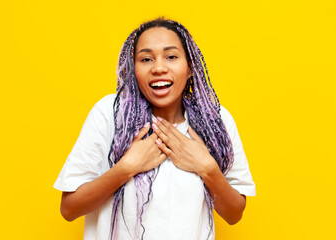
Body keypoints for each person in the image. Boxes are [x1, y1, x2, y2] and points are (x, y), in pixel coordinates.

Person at [54, 18, 256, 240]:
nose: (159, 68)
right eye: (146, 59)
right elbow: (69, 209)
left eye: (171, 57)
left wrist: (207, 167)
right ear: (134, 69)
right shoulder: (110, 114)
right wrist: (126, 168)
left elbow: (234, 213)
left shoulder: (216, 121)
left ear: (190, 68)